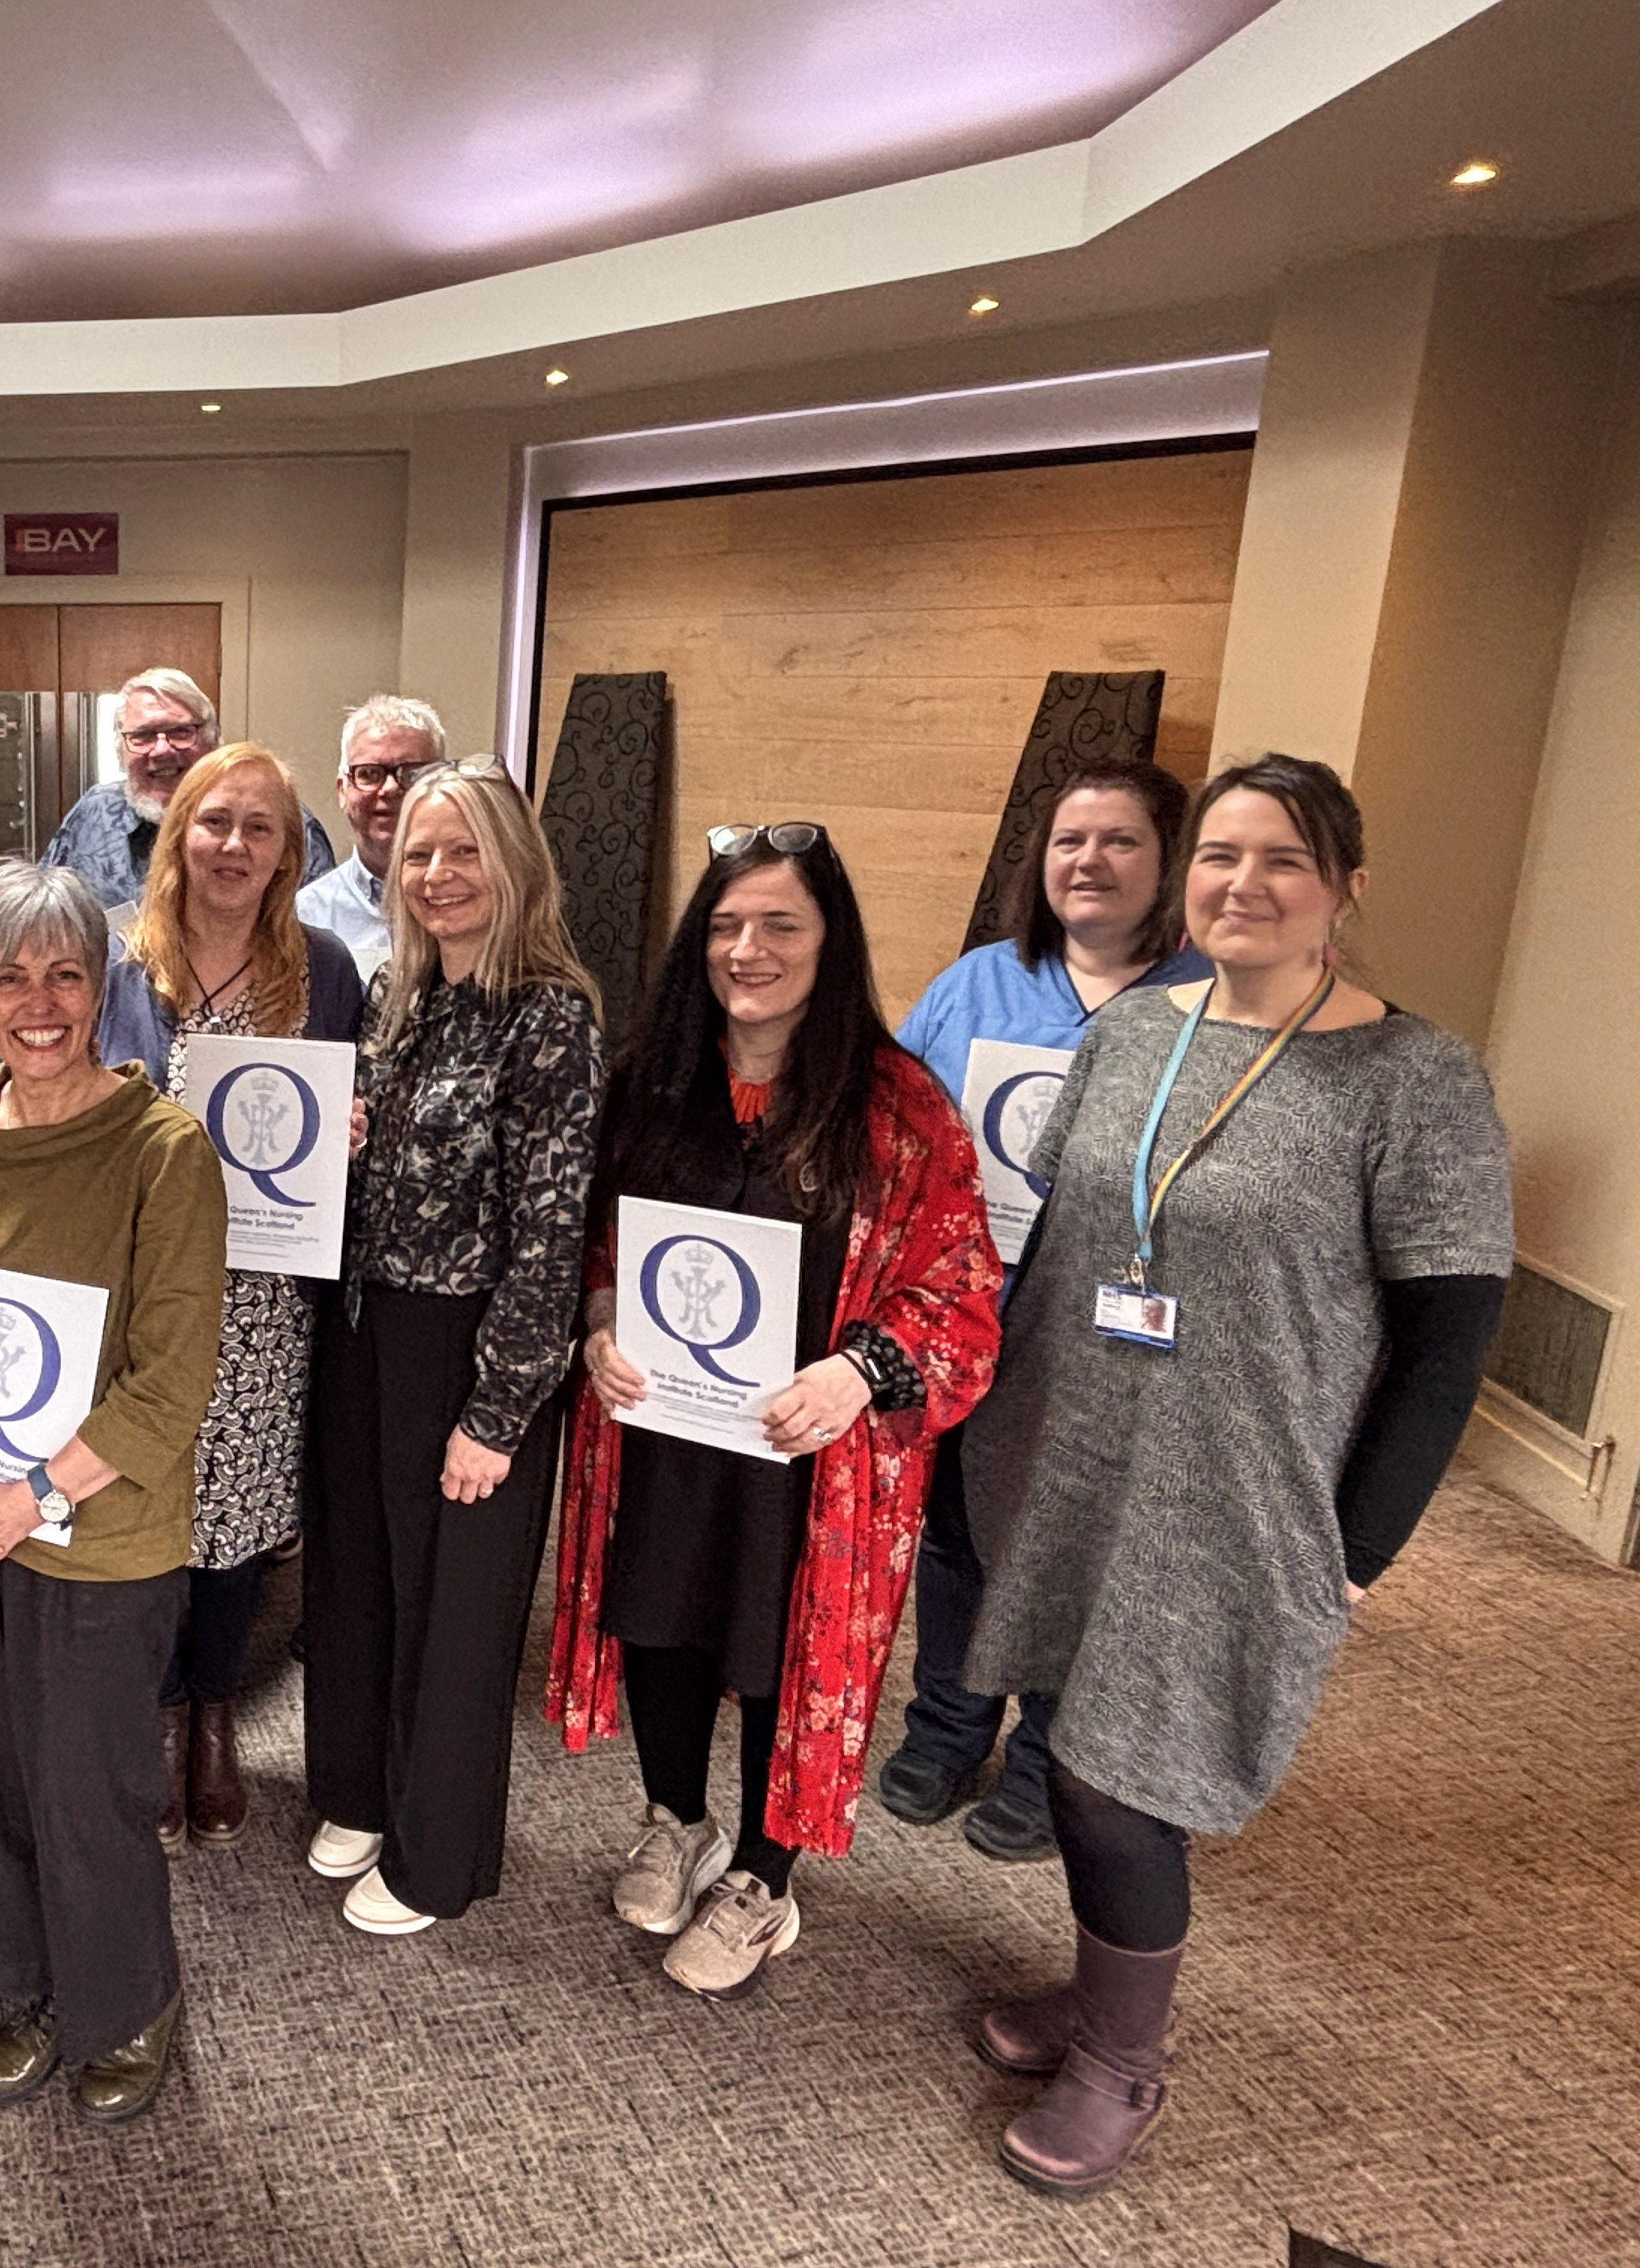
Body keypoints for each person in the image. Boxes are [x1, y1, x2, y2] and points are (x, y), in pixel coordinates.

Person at [958, 756, 1510, 2195]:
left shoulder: (1414, 1077)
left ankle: (1123, 2061)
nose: (1240, 884)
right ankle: (1096, 1995)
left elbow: (1449, 1340)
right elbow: (1058, 1237)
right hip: (1073, 1455)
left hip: (1237, 1492)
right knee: (1070, 1728)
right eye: (1217, 856)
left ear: (1343, 885)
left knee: (1121, 1777)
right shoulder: (1136, 1031)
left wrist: (1358, 1542)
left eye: (1278, 859)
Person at [542, 823, 1002, 2001]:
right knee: (658, 1619)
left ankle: (762, 1874)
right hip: (664, 1425)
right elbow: (599, 1241)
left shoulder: (899, 1108)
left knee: (781, 1648)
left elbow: (961, 1288)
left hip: (807, 1449)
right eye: (727, 925)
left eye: (780, 924)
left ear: (829, 940)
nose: (747, 948)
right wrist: (599, 1324)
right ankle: (676, 1818)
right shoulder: (655, 1084)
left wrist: (858, 1372)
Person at [0, 858, 224, 2124]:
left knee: (93, 1791)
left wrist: (30, 1491)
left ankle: (126, 2001)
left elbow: (170, 1378)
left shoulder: (161, 1148)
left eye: (63, 971)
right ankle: (24, 1985)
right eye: (7, 974)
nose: (37, 999)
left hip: (101, 1534)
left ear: (100, 984)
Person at [874, 758, 1207, 1862]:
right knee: (962, 1537)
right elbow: (898, 1134)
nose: (1091, 862)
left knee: (1085, 1552)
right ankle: (948, 1728)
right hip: (978, 1319)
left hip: (1124, 1334)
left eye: (1120, 842)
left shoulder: (1214, 1003)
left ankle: (1049, 1754)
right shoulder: (977, 985)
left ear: (1167, 863)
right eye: (1071, 841)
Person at [303, 759, 602, 1936]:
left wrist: (500, 1408)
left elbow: (551, 1225)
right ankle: (361, 1792)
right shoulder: (396, 994)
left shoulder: (552, 1014)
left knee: (456, 1613)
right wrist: (352, 1138)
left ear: (513, 863)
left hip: (475, 1343)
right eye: (421, 854)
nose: (437, 875)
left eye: (464, 850)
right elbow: (381, 1171)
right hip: (368, 1324)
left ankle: (439, 1858)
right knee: (361, 1578)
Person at [98, 741, 363, 1850]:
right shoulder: (117, 963)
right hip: (143, 1291)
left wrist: (349, 1135)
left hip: (262, 1298)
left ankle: (213, 1719)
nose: (234, 846)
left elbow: (350, 1112)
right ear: (178, 836)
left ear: (291, 851)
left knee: (237, 1522)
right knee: (147, 1506)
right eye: (215, 821)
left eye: (261, 828)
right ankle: (158, 1715)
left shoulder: (328, 969)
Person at [43, 668, 335, 913]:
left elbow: (319, 926)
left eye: (180, 733)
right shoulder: (94, 814)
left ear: (213, 744)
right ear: (121, 751)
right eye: (142, 736)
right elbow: (44, 913)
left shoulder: (280, 820)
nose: (161, 751)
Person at [294, 695, 445, 979]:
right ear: (342, 790)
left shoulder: (469, 903)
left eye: (412, 774)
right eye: (370, 774)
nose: (389, 788)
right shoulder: (307, 915)